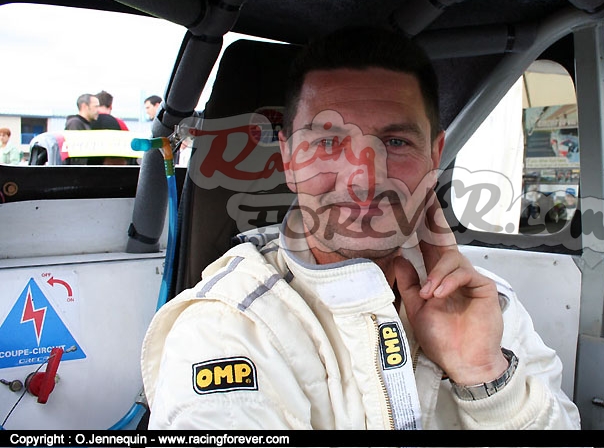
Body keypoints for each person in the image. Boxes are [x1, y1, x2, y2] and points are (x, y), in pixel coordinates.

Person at [140, 27, 580, 430]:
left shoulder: (486, 304)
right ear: (289, 159)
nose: (364, 179)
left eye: (396, 142)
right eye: (328, 142)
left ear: (434, 156)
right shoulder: (228, 326)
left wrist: (486, 378)